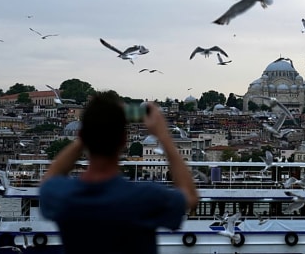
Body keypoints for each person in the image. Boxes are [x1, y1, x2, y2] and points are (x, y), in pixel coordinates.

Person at [40, 91, 199, 254]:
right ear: (124, 140)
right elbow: (190, 197)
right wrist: (163, 136)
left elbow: (50, 179)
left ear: (82, 136)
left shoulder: (63, 196)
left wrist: (92, 128)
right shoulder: (144, 197)